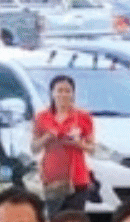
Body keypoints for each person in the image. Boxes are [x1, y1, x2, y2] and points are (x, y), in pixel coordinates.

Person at [33, 74, 99, 210]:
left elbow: (92, 149)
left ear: (73, 94)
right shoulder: (42, 117)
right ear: (52, 93)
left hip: (77, 177)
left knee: (74, 220)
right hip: (52, 178)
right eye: (59, 90)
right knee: (55, 220)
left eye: (68, 91)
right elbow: (34, 148)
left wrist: (78, 144)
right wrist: (47, 137)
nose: (63, 95)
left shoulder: (83, 117)